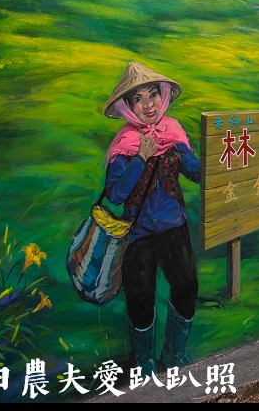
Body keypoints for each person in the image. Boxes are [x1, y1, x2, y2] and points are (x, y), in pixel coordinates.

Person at [102, 61, 200, 374]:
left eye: (154, 95)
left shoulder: (173, 133)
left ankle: (173, 356)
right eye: (139, 99)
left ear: (164, 96)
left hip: (174, 228)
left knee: (186, 287)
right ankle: (144, 363)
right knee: (141, 297)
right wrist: (141, 157)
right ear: (127, 107)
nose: (149, 105)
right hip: (139, 234)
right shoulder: (124, 145)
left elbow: (196, 172)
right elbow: (115, 195)